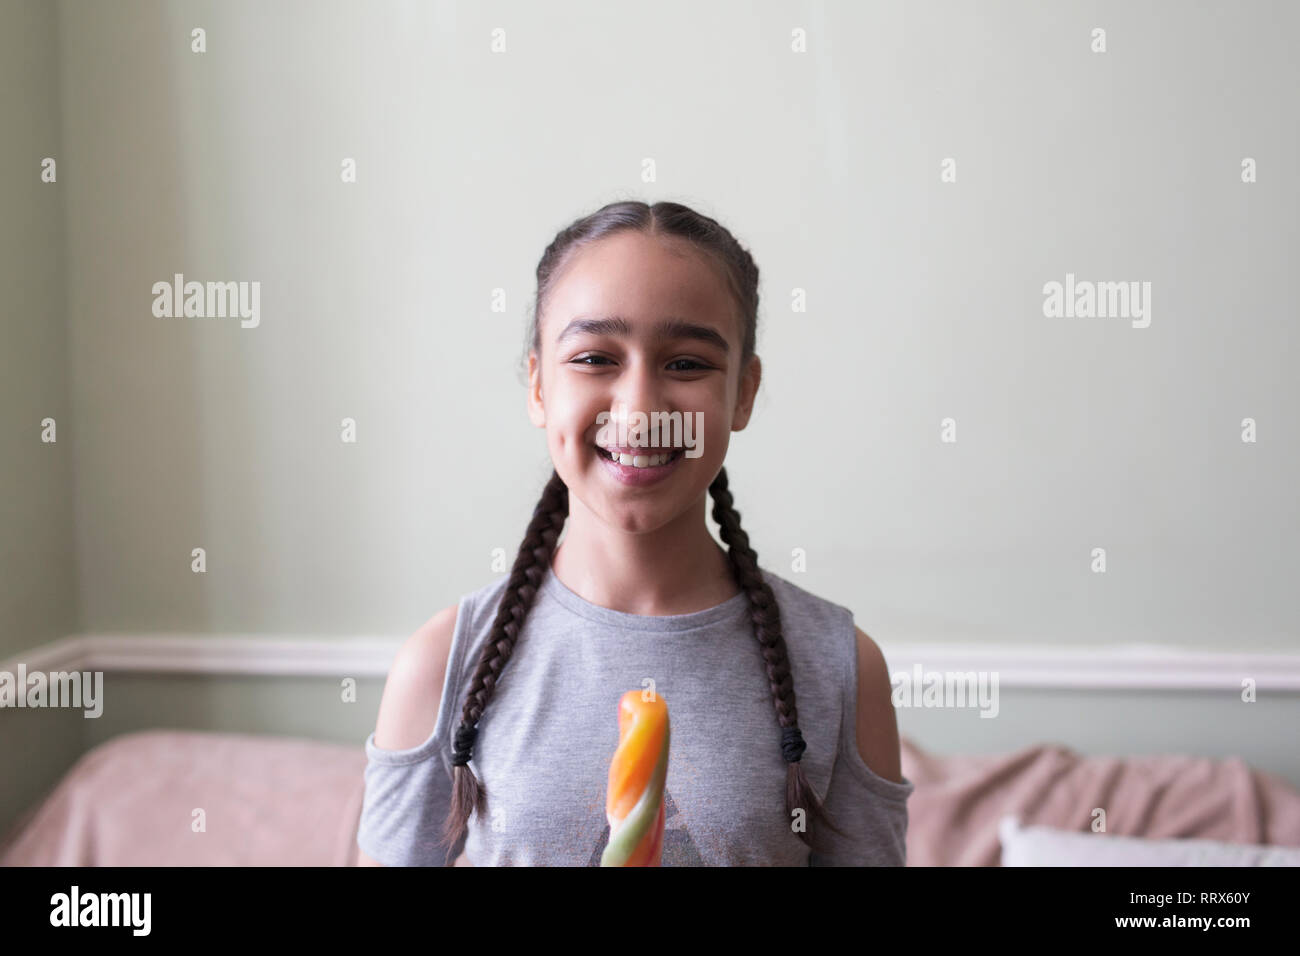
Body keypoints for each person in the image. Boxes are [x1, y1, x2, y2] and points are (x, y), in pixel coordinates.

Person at [356, 200, 912, 866]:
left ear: (743, 392)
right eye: (594, 358)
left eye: (686, 364)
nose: (641, 410)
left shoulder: (839, 668)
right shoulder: (441, 664)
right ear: (537, 384)